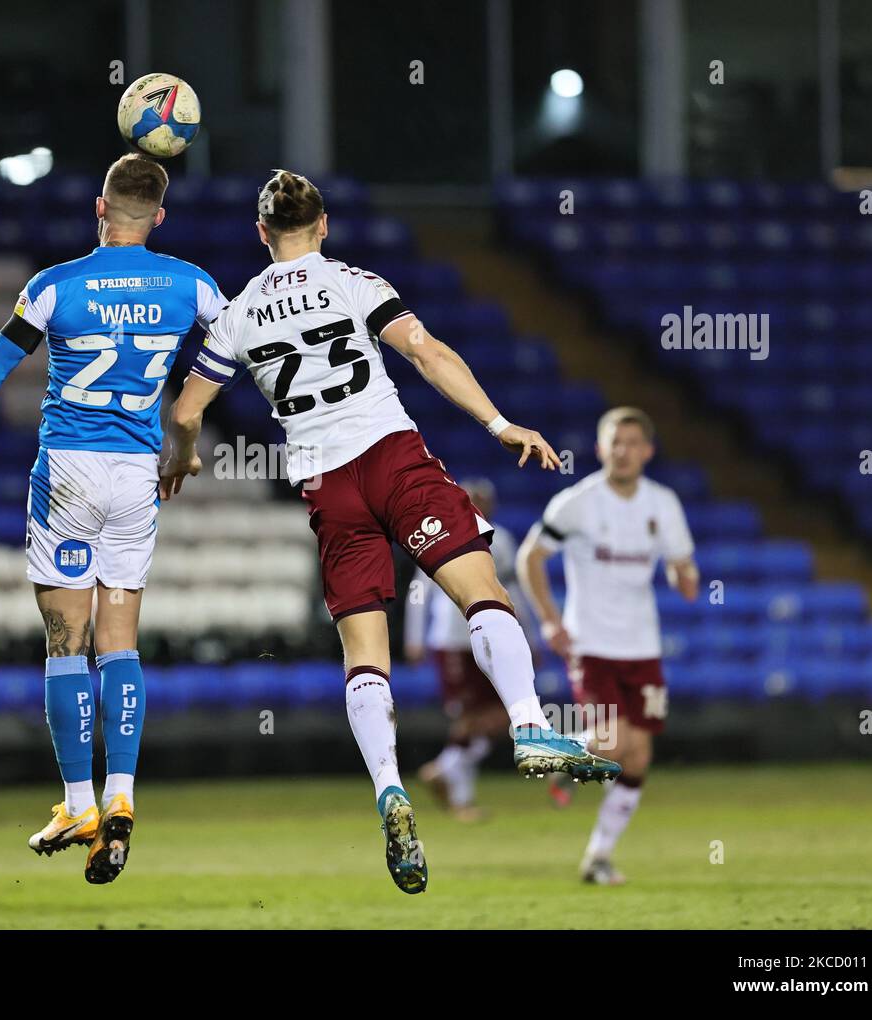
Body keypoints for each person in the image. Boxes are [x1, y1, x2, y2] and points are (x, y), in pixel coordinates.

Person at [159, 169, 620, 895]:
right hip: (392, 457)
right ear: (324, 225)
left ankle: (388, 789)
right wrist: (500, 425)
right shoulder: (352, 280)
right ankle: (529, 722)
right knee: (480, 590)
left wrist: (183, 455)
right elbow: (427, 352)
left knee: (364, 653)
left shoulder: (239, 312)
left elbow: (186, 412)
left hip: (327, 486)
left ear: (261, 234)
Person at [0, 153, 227, 885]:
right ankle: (123, 799)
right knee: (120, 643)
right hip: (137, 478)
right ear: (161, 218)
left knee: (64, 643)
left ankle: (81, 801)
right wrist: (186, 437)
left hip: (70, 474)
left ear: (98, 208)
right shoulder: (192, 284)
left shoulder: (54, 287)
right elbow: (235, 350)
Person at [517, 406, 698, 885]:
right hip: (591, 642)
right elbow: (530, 558)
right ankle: (560, 753)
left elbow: (684, 563)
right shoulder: (578, 502)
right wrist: (551, 622)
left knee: (637, 757)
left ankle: (598, 855)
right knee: (615, 744)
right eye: (615, 442)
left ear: (648, 451)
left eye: (633, 442)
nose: (623, 451)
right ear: (600, 448)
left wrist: (686, 577)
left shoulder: (663, 504)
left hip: (643, 646)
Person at [405, 479, 537, 820]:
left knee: (492, 717)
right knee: (469, 718)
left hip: (492, 638)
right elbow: (419, 591)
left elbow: (514, 592)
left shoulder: (501, 540)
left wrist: (529, 636)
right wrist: (415, 636)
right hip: (452, 639)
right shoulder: (436, 532)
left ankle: (447, 773)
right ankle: (457, 792)